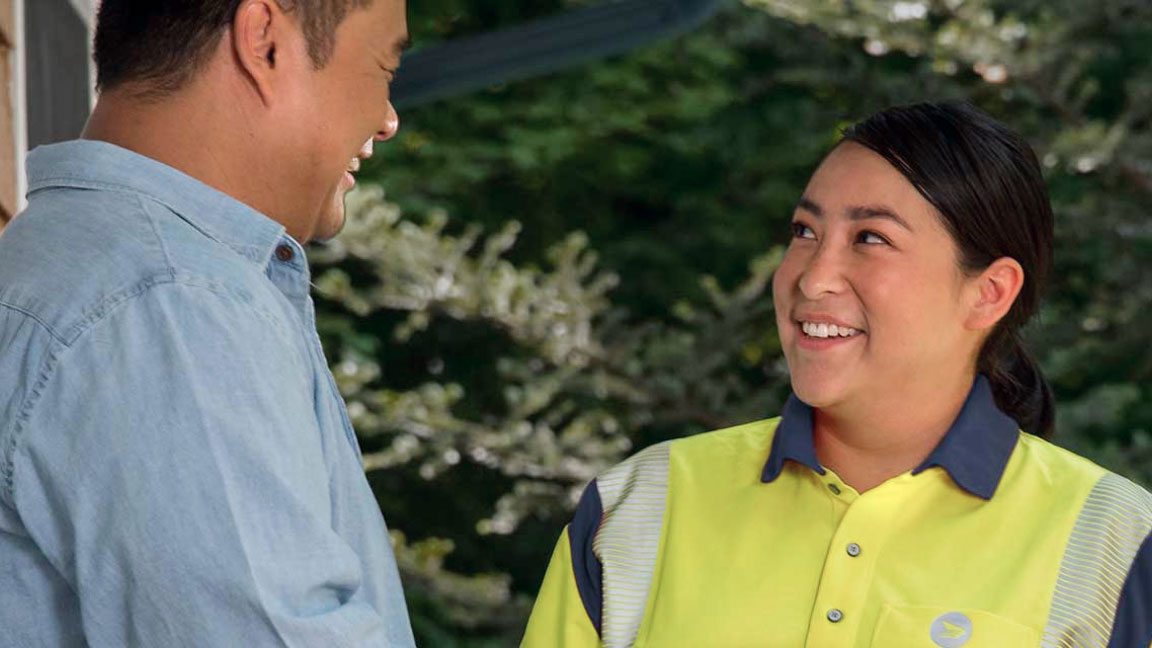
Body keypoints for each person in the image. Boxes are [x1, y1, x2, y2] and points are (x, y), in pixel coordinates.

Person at [521, 102, 1152, 647]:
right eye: (804, 231)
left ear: (989, 292)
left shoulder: (1116, 545)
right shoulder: (638, 507)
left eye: (871, 238)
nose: (812, 276)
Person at [0, 0, 416, 645]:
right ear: (265, 40)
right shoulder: (167, 304)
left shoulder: (71, 268)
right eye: (384, 64)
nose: (387, 119)